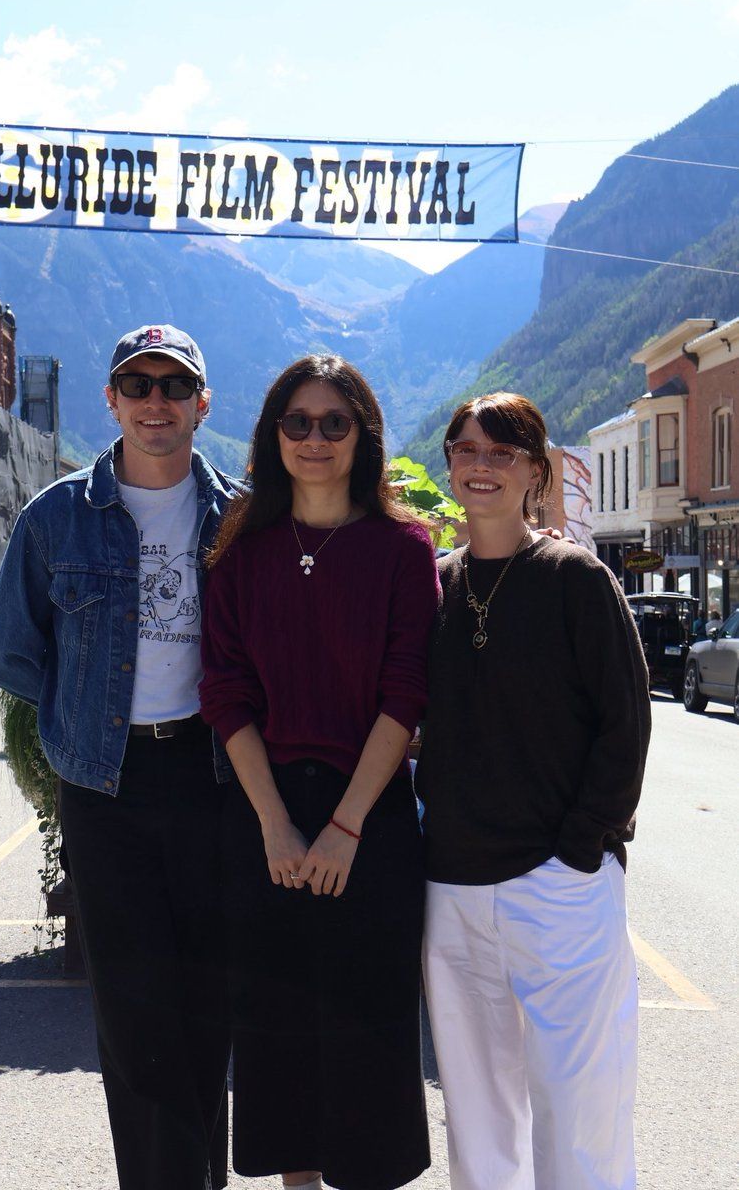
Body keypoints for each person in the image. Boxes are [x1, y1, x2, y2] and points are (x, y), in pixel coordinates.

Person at [0, 324, 241, 1190]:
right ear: (113, 400)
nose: (156, 400)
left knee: (207, 1011)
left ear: (203, 403)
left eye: (174, 385)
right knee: (133, 1020)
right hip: (106, 787)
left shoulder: (239, 519)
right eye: (139, 384)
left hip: (213, 778)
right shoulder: (56, 517)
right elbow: (11, 652)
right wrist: (80, 722)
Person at [199, 354, 439, 1190]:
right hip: (263, 819)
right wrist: (273, 823)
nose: (313, 439)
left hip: (366, 819)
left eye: (334, 423)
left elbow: (405, 694)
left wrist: (344, 828)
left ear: (362, 436)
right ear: (272, 435)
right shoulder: (240, 551)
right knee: (277, 1031)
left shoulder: (405, 552)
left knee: (368, 1032)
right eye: (296, 422)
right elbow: (224, 693)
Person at [417, 392, 651, 1190]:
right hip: (451, 885)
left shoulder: (575, 580)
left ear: (535, 472)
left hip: (558, 886)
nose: (481, 466)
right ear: (449, 460)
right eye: (467, 449)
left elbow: (626, 725)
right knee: (476, 1114)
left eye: (502, 452)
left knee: (579, 1106)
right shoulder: (432, 588)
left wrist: (579, 850)